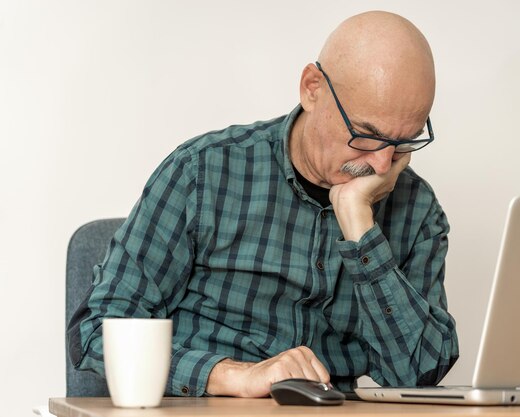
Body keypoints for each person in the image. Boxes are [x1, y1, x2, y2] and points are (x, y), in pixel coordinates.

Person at [68, 10, 459, 397]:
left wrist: (361, 227)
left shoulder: (417, 210)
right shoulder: (202, 172)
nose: (381, 164)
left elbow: (419, 375)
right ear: (312, 88)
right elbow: (97, 330)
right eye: (367, 136)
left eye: (403, 142)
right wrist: (234, 376)